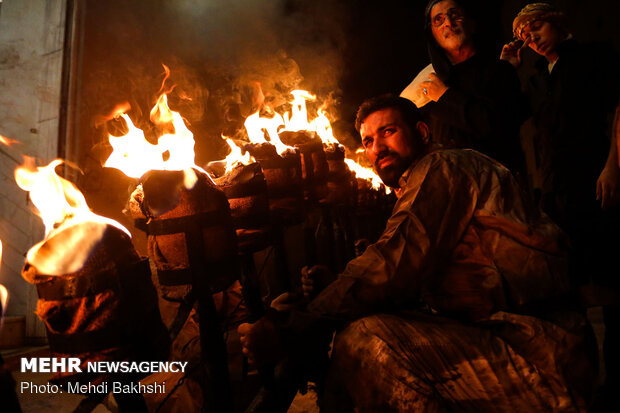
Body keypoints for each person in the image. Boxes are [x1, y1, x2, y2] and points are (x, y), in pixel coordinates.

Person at [239, 95, 596, 412]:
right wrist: (335, 288)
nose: (377, 147)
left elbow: (394, 263)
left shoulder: (443, 167)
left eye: (388, 131)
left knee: (365, 341)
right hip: (522, 339)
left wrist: (293, 327)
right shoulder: (432, 176)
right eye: (368, 140)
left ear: (423, 133)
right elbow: (416, 276)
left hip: (539, 351)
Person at [502, 4, 620, 406]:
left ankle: (618, 384)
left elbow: (619, 107)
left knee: (611, 285)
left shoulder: (593, 56)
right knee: (571, 293)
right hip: (556, 193)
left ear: (558, 21)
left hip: (597, 181)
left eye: (534, 25)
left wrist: (614, 166)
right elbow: (512, 120)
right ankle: (585, 386)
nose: (529, 35)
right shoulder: (536, 77)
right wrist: (510, 68)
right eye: (522, 32)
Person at [402, 0, 526, 177]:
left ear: (471, 25)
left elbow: (498, 126)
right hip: (448, 191)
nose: (448, 23)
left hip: (495, 188)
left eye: (454, 15)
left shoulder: (499, 71)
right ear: (432, 35)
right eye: (439, 19)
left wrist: (445, 97)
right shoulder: (428, 83)